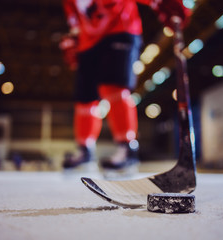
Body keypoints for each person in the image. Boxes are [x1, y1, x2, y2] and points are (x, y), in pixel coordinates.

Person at [60, 0, 190, 172]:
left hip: (120, 28)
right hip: (87, 41)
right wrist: (75, 35)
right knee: (85, 97)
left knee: (114, 88)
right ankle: (85, 150)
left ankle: (126, 147)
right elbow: (75, 14)